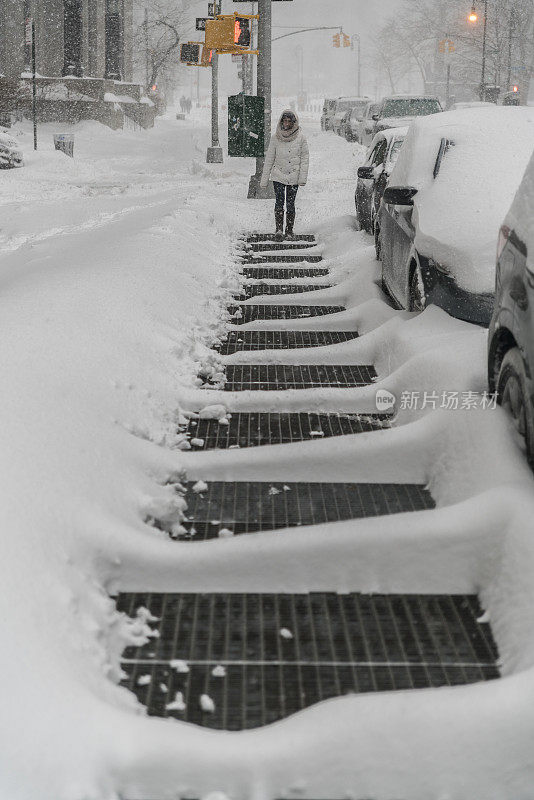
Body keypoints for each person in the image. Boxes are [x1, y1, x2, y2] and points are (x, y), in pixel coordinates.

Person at [260, 110, 309, 241]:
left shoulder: (301, 138)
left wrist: (302, 178)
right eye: (284, 121)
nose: (286, 123)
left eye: (289, 121)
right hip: (278, 176)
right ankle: (279, 230)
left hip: (294, 176)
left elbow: (305, 158)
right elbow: (269, 159)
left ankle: (289, 230)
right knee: (279, 202)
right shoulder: (275, 138)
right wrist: (264, 180)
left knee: (291, 204)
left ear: (294, 123)